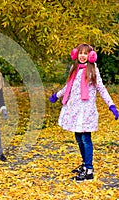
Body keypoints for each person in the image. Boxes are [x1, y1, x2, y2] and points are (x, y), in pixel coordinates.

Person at [49, 43, 118, 182]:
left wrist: (112, 106)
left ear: (90, 56)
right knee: (79, 138)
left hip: (86, 111)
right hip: (74, 110)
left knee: (86, 139)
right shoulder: (73, 68)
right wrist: (57, 95)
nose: (82, 56)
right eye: (80, 53)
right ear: (76, 54)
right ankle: (85, 165)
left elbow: (102, 89)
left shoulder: (93, 70)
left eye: (85, 53)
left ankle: (89, 170)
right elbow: (69, 86)